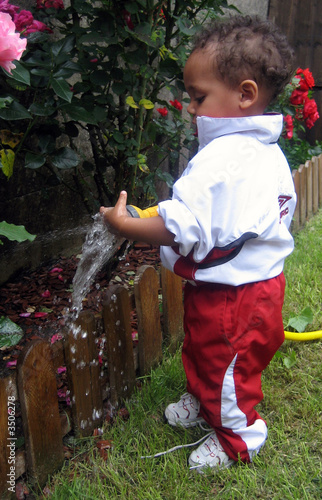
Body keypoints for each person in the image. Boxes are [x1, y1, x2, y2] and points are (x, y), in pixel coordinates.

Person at [100, 15, 297, 472]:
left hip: (235, 296)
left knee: (228, 365)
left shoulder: (225, 158)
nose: (190, 108)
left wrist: (125, 227)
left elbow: (180, 227)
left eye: (198, 97)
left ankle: (237, 437)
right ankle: (202, 399)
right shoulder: (262, 150)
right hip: (248, 287)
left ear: (245, 94)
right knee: (204, 349)